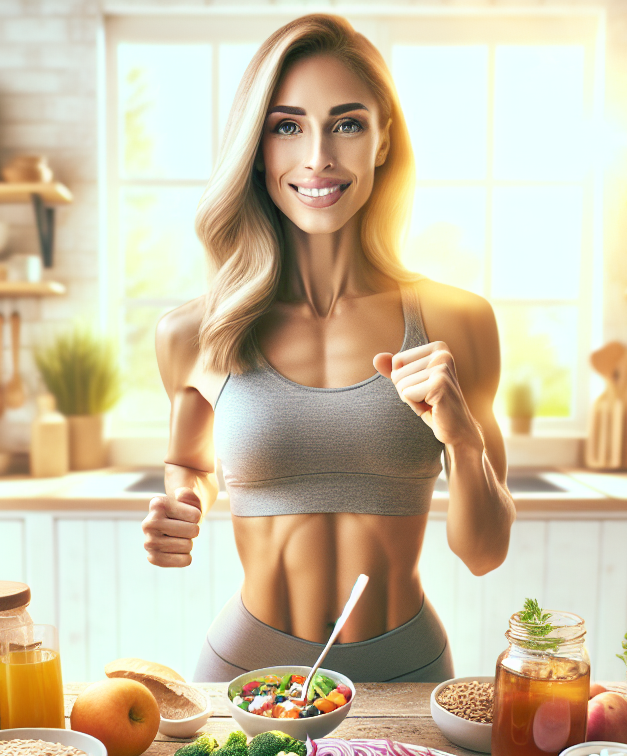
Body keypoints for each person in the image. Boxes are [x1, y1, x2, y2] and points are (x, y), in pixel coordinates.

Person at [141, 13, 515, 682]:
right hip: (244, 672)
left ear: (382, 140)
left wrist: (462, 442)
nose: (318, 157)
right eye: (287, 126)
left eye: (347, 123)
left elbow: (485, 552)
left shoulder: (456, 321)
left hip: (405, 667)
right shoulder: (195, 331)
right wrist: (185, 502)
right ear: (258, 149)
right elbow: (187, 462)